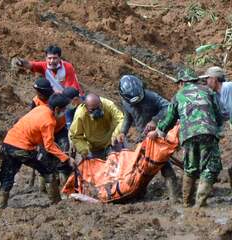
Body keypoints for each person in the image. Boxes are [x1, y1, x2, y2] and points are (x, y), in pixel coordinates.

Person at [148, 68, 223, 208]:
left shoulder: (178, 95)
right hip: (208, 132)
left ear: (182, 82)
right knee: (211, 167)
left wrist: (159, 131)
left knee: (191, 167)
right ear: (194, 80)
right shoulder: (208, 91)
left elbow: (169, 119)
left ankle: (186, 204)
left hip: (188, 135)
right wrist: (218, 128)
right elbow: (219, 114)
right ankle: (200, 204)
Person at [0, 94, 75, 208]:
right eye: (64, 109)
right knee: (48, 171)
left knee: (8, 175)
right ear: (57, 109)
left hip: (8, 143)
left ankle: (1, 206)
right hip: (23, 148)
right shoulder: (49, 121)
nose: (65, 111)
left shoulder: (40, 108)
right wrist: (66, 158)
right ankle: (57, 204)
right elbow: (49, 145)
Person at [117, 75, 178, 203]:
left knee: (163, 163)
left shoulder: (151, 96)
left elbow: (168, 107)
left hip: (157, 135)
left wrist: (155, 121)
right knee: (141, 167)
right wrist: (123, 131)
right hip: (143, 137)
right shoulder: (125, 103)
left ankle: (174, 196)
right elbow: (128, 118)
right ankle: (139, 194)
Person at [200, 66, 232, 189]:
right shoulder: (217, 95)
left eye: (207, 79)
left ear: (214, 79)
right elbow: (222, 115)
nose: (206, 82)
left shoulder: (228, 87)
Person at [69, 93, 124, 160]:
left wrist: (116, 134)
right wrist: (83, 150)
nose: (96, 112)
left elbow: (121, 119)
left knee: (121, 161)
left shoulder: (108, 105)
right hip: (95, 148)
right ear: (86, 108)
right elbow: (75, 136)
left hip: (112, 141)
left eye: (98, 108)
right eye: (92, 110)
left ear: (100, 103)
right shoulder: (80, 115)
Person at [13, 45, 83, 94]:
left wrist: (56, 93)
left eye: (55, 58)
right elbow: (30, 64)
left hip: (71, 96)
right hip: (56, 95)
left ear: (59, 58)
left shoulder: (67, 66)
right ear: (46, 58)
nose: (52, 61)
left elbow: (70, 89)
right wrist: (21, 62)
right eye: (49, 58)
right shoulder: (44, 66)